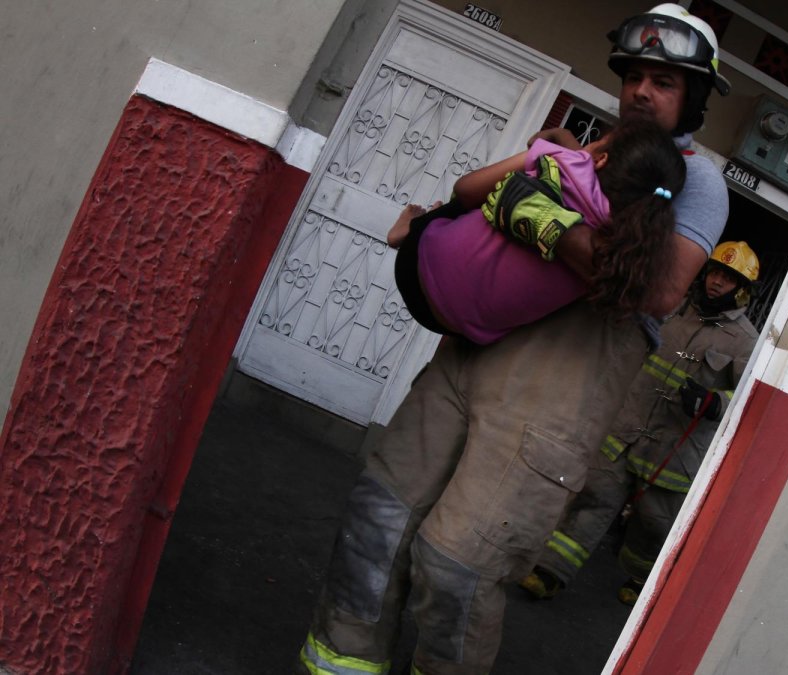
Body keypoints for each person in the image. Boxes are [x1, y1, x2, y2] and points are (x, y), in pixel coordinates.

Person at [297, 4, 732, 674]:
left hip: (565, 374)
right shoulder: (588, 151)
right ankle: (339, 662)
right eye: (635, 76)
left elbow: (658, 291)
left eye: (665, 82)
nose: (642, 91)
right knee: (379, 515)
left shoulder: (695, 182)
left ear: (695, 97)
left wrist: (539, 216)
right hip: (474, 347)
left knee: (458, 562)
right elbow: (472, 193)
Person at [518, 242, 761, 605]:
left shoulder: (746, 343)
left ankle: (641, 578)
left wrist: (715, 403)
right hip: (627, 430)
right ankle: (549, 571)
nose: (716, 282)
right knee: (592, 497)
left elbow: (749, 401)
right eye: (715, 272)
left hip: (673, 451)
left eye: (728, 278)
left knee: (654, 524)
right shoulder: (674, 307)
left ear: (742, 289)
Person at [385, 119, 685, 345]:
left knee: (482, 197)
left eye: (597, 142)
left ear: (602, 158)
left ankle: (410, 230)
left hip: (417, 262)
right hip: (460, 327)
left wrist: (564, 147)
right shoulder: (625, 251)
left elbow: (465, 189)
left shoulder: (566, 159)